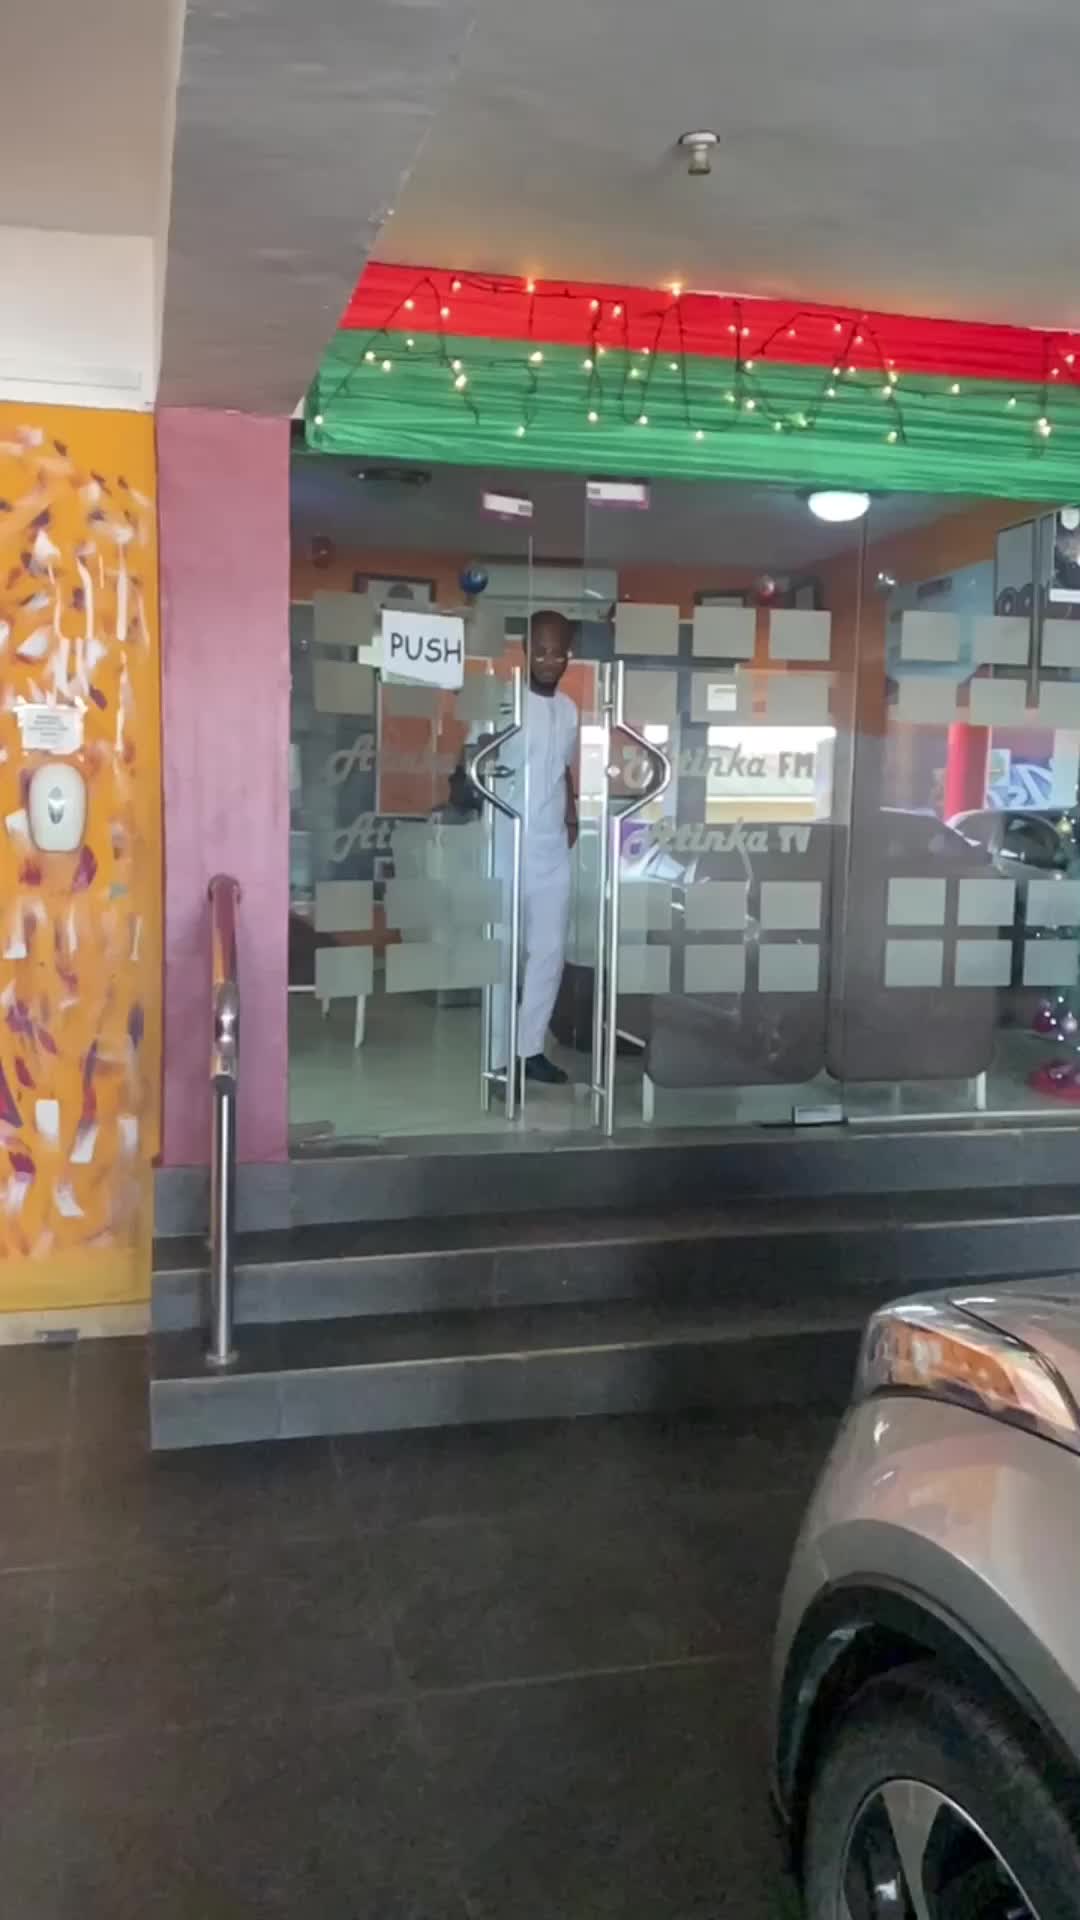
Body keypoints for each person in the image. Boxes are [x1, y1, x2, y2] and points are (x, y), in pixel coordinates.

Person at [489, 609, 579, 1086]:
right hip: (507, 841)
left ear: (568, 655)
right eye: (540, 650)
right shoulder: (504, 701)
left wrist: (572, 814)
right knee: (503, 950)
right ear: (526, 650)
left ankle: (530, 1049)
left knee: (548, 950)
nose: (548, 659)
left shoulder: (570, 710)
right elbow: (474, 759)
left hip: (551, 847)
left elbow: (564, 768)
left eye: (557, 651)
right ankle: (498, 1057)